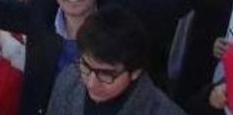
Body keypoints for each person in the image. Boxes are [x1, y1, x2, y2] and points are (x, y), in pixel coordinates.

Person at [46, 6, 186, 115]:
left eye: (106, 74)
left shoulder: (163, 111)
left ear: (135, 72)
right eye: (86, 67)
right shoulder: (69, 80)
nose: (91, 83)